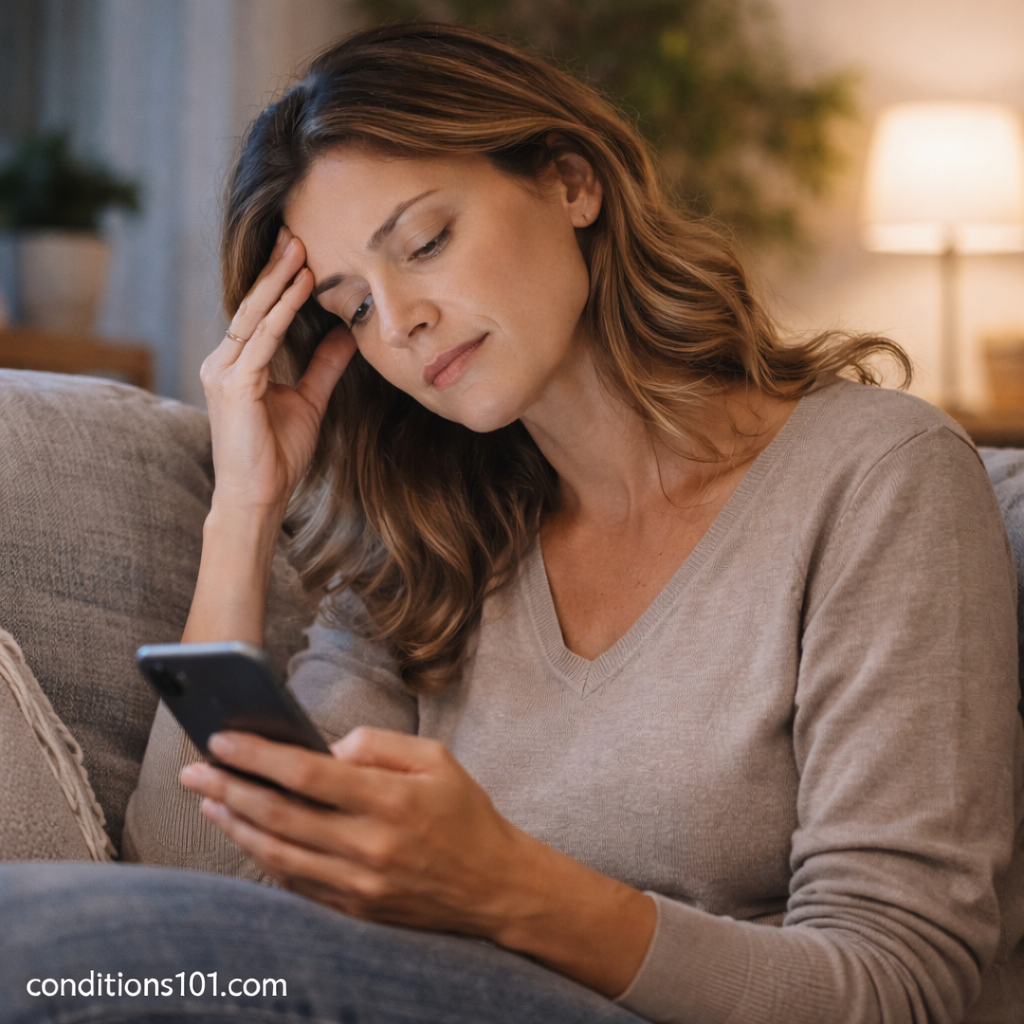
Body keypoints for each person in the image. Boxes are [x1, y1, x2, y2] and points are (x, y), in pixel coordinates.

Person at [2, 22, 1022, 1024]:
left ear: (571, 182)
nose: (399, 320)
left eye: (426, 242)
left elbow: (897, 984)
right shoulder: (431, 547)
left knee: (47, 941)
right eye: (353, 306)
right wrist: (245, 503)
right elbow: (197, 888)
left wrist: (506, 886)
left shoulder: (877, 475)